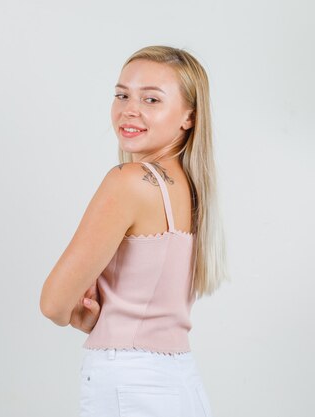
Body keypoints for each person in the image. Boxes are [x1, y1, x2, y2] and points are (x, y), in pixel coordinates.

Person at [39, 45, 229, 417]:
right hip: (180, 382)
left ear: (189, 117)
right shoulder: (190, 188)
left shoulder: (129, 182)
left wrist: (79, 316)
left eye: (151, 99)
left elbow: (53, 303)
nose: (130, 109)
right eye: (122, 94)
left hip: (130, 382)